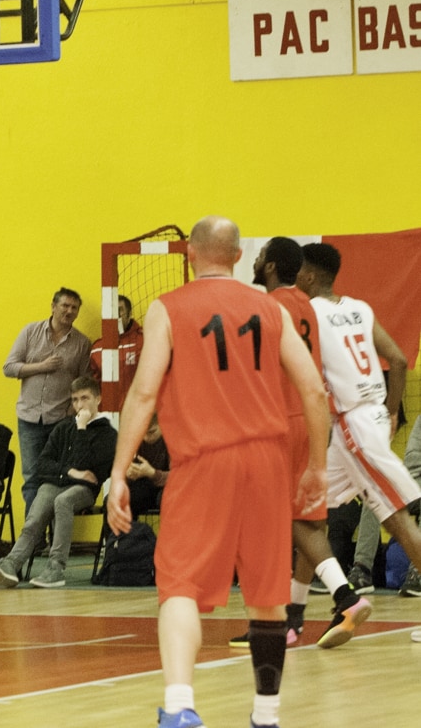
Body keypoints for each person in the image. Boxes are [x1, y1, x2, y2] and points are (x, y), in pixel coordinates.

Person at [107, 216, 329, 728]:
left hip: (203, 461)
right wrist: (317, 465)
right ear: (236, 256)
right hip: (268, 461)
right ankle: (266, 715)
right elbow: (314, 391)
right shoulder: (270, 308)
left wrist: (119, 471)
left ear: (190, 254)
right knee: (267, 594)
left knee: (180, 585)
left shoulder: (168, 308)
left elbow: (143, 393)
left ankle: (179, 706)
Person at [232, 236, 369, 650]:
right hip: (313, 418)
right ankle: (299, 614)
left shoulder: (266, 307)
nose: (255, 261)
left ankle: (328, 601)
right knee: (307, 520)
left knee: (275, 522)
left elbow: (252, 371)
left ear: (271, 266)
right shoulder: (307, 305)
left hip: (279, 420)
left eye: (260, 256)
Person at [298, 243, 421, 619]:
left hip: (353, 426)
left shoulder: (309, 312)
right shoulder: (360, 308)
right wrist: (391, 413)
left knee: (397, 520)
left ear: (310, 275)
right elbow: (397, 360)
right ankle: (293, 612)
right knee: (308, 514)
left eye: (299, 270)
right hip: (363, 422)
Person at [0, 376, 117, 588]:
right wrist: (70, 472)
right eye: (75, 400)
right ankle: (11, 563)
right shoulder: (63, 427)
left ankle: (56, 568)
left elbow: (86, 467)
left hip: (84, 490)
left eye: (85, 398)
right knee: (37, 511)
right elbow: (43, 464)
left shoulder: (107, 434)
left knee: (63, 501)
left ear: (98, 399)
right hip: (56, 483)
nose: (79, 405)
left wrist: (82, 429)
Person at [3, 288, 92, 509]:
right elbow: (9, 368)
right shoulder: (30, 332)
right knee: (32, 478)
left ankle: (55, 530)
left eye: (74, 308)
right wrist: (41, 366)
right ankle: (33, 530)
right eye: (65, 306)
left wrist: (72, 410)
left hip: (60, 420)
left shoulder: (82, 343)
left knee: (57, 479)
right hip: (29, 417)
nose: (69, 311)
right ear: (53, 307)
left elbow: (84, 381)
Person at [88, 294, 144, 411]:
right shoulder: (97, 348)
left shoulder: (144, 340)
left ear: (129, 314)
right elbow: (94, 385)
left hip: (137, 413)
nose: (115, 315)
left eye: (119, 310)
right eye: (110, 311)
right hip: (107, 414)